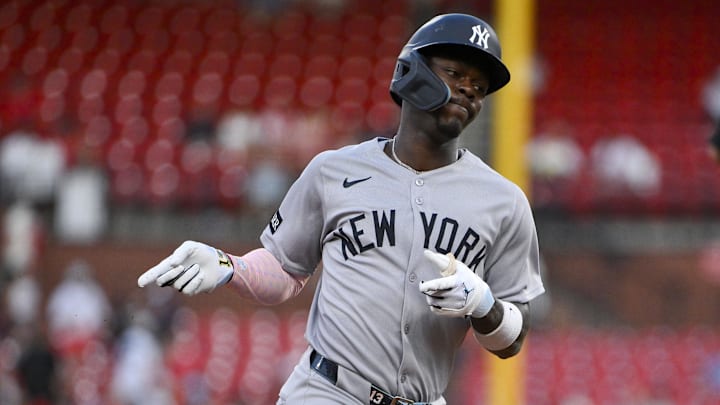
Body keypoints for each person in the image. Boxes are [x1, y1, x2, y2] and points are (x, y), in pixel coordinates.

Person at [138, 13, 544, 404]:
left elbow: (512, 340)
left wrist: (483, 305)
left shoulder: (505, 202)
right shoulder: (333, 171)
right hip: (326, 392)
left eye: (479, 84)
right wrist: (230, 266)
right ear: (413, 72)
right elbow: (284, 270)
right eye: (455, 73)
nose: (469, 89)